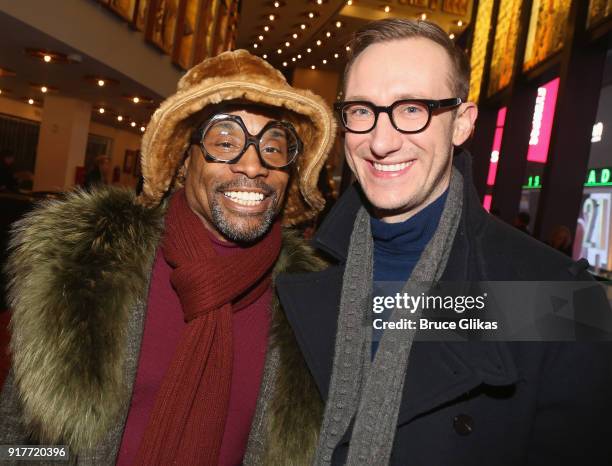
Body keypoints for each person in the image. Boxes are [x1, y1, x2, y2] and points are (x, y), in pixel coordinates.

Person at [274, 19, 612, 465]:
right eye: (361, 110)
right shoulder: (298, 266)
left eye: (412, 109)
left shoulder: (559, 296)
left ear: (461, 124)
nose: (380, 141)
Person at [0, 49, 335, 465]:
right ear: (184, 160)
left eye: (274, 147)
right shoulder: (86, 266)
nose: (252, 165)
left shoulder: (310, 303)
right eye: (226, 142)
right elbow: (19, 438)